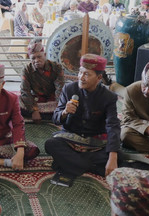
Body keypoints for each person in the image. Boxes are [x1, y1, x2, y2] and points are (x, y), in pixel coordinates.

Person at [45, 54, 120, 186]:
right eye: (80, 72)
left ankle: (69, 164)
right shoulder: (69, 89)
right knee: (50, 144)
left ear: (99, 78)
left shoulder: (109, 97)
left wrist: (113, 157)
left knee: (117, 153)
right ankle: (94, 168)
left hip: (95, 143)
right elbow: (56, 119)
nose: (81, 77)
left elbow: (113, 126)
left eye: (86, 74)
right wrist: (64, 112)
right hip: (71, 140)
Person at [20, 40, 65, 123]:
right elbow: (25, 91)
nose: (36, 60)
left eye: (39, 57)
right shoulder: (26, 70)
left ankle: (52, 114)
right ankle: (47, 115)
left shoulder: (56, 67)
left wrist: (60, 108)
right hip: (36, 99)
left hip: (53, 99)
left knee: (68, 103)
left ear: (45, 55)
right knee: (17, 102)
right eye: (33, 58)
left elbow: (60, 89)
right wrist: (34, 110)